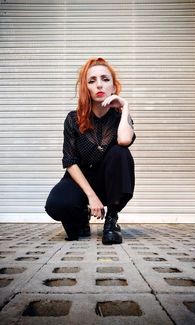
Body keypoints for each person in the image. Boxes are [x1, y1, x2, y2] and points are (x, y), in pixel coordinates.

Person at [45, 57, 136, 245]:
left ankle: (111, 220)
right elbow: (69, 160)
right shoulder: (73, 119)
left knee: (121, 152)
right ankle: (82, 217)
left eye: (105, 79)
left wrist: (125, 106)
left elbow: (125, 140)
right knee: (56, 205)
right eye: (92, 81)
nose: (99, 85)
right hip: (80, 181)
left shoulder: (120, 117)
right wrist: (91, 196)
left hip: (107, 181)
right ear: (86, 88)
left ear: (113, 85)